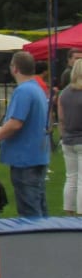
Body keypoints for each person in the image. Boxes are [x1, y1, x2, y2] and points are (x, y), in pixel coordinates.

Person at [0, 50, 50, 217]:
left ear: (15, 68)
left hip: (24, 158)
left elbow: (15, 123)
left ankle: (34, 241)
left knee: (29, 209)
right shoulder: (37, 88)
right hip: (37, 154)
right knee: (39, 204)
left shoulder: (23, 91)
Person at [58, 58, 82, 215]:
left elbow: (61, 119)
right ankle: (81, 213)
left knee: (71, 178)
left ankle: (69, 211)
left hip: (68, 139)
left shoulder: (64, 93)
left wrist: (63, 136)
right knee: (81, 181)